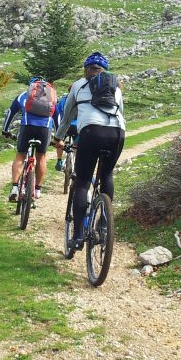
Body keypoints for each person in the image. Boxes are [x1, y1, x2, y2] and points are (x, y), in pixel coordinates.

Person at [56, 52, 126, 250]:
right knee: (107, 175)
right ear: (105, 70)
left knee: (83, 182)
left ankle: (78, 236)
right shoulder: (116, 87)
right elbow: (121, 113)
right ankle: (104, 224)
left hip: (91, 132)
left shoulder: (78, 85)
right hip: (117, 133)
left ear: (86, 69)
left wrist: (58, 137)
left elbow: (68, 116)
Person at [1, 76, 57, 205]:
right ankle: (37, 189)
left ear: (31, 87)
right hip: (44, 129)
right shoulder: (51, 97)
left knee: (21, 155)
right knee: (41, 157)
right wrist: (58, 138)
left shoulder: (23, 95)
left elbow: (11, 112)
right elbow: (56, 116)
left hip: (27, 126)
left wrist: (5, 130)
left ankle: (15, 187)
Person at [53, 84, 78, 172]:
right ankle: (76, 165)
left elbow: (58, 113)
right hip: (78, 127)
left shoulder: (63, 99)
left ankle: (59, 161)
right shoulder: (81, 100)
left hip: (64, 126)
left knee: (59, 142)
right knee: (77, 146)